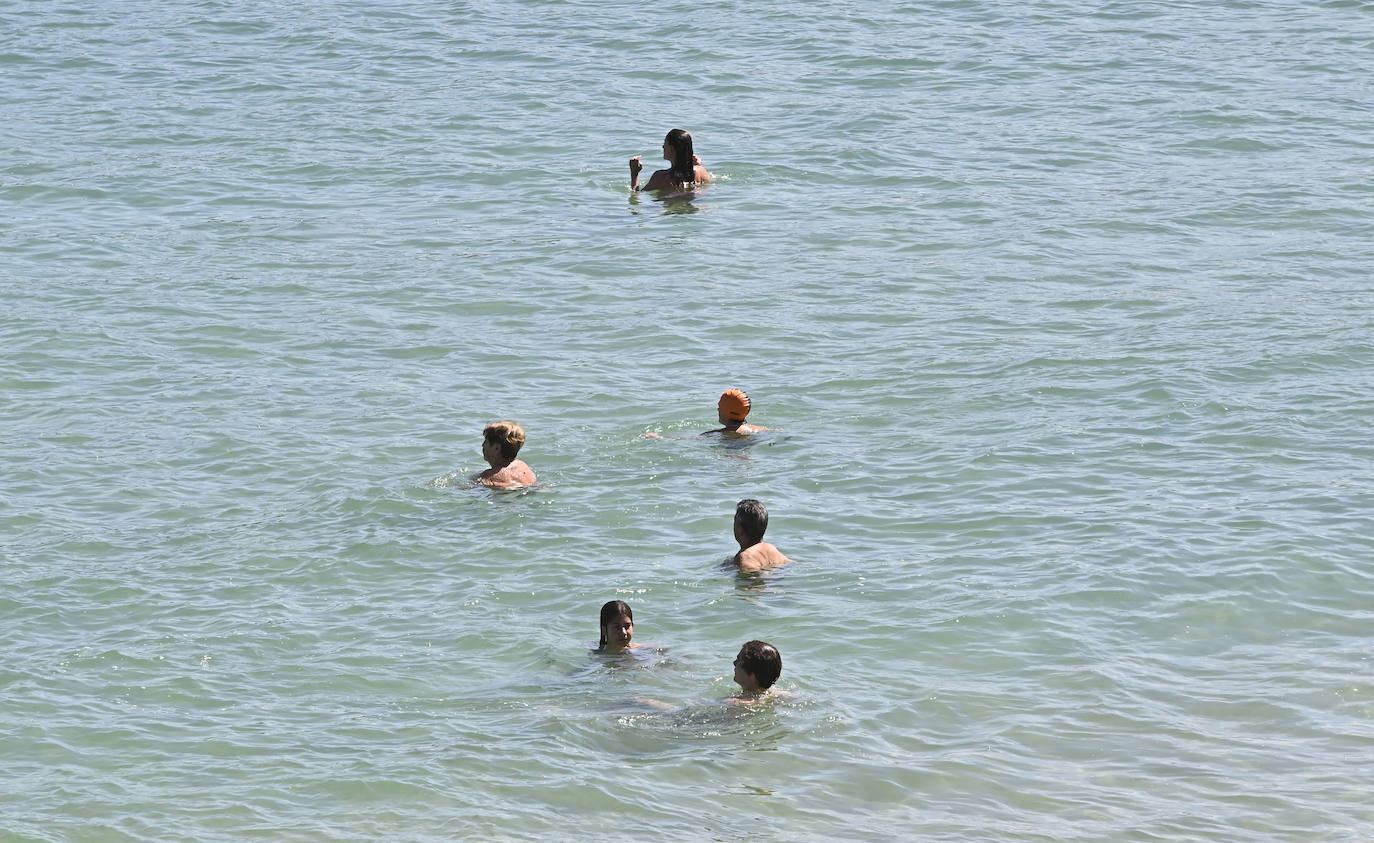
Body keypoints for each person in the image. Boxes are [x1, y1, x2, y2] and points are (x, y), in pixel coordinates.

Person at [630, 128, 713, 193]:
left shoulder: (661, 177)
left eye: (665, 143)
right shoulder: (702, 171)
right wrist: (698, 165)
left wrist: (634, 174)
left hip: (671, 210)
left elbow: (636, 195)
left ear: (671, 150)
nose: (663, 147)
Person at [731, 499, 790, 572]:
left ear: (740, 529)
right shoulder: (771, 549)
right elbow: (792, 564)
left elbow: (754, 580)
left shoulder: (745, 557)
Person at [477, 421, 536, 488]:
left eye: (485, 442)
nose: (482, 445)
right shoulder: (523, 467)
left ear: (497, 448)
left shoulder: (488, 475)